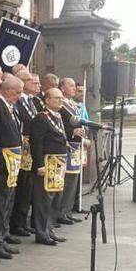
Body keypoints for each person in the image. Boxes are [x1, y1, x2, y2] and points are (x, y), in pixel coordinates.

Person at [0, 75, 24, 259]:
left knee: (8, 200)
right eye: (17, 92)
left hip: (12, 162)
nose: (19, 95)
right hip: (2, 161)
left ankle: (3, 234)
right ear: (7, 89)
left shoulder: (11, 107)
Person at [30, 88, 70, 246]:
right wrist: (39, 165)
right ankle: (41, 232)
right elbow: (36, 143)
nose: (60, 101)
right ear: (46, 100)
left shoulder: (58, 116)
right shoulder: (41, 118)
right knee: (43, 200)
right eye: (56, 98)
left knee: (55, 199)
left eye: (61, 98)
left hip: (58, 164)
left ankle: (49, 229)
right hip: (47, 163)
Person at [10, 72, 41, 237]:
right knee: (22, 187)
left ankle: (22, 221)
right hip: (23, 149)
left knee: (28, 188)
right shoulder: (19, 102)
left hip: (30, 149)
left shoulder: (30, 101)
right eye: (30, 80)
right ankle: (17, 223)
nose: (34, 84)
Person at [55, 77, 85, 225]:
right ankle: (61, 211)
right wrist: (73, 131)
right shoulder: (61, 106)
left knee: (73, 181)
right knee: (66, 181)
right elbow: (59, 127)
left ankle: (67, 210)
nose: (74, 88)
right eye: (71, 86)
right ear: (62, 88)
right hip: (67, 145)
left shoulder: (73, 104)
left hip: (76, 147)